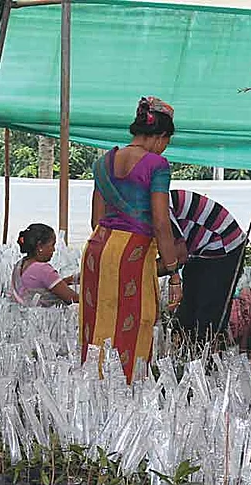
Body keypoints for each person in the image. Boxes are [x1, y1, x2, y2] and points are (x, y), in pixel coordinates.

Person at [79, 97, 182, 384]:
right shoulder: (157, 164)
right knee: (135, 324)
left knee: (96, 325)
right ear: (161, 136)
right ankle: (127, 392)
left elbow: (96, 219)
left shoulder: (103, 163)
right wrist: (174, 273)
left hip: (97, 249)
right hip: (133, 253)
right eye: (166, 142)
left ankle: (93, 389)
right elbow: (161, 222)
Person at [159, 189, 247, 342]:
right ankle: (189, 349)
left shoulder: (159, 209)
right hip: (199, 249)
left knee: (209, 313)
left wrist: (143, 271)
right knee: (188, 311)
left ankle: (208, 352)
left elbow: (179, 255)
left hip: (223, 245)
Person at [11, 223, 79, 307]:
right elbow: (72, 298)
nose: (54, 250)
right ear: (40, 246)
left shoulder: (20, 265)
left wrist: (71, 279)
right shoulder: (43, 269)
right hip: (44, 315)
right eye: (52, 245)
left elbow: (47, 286)